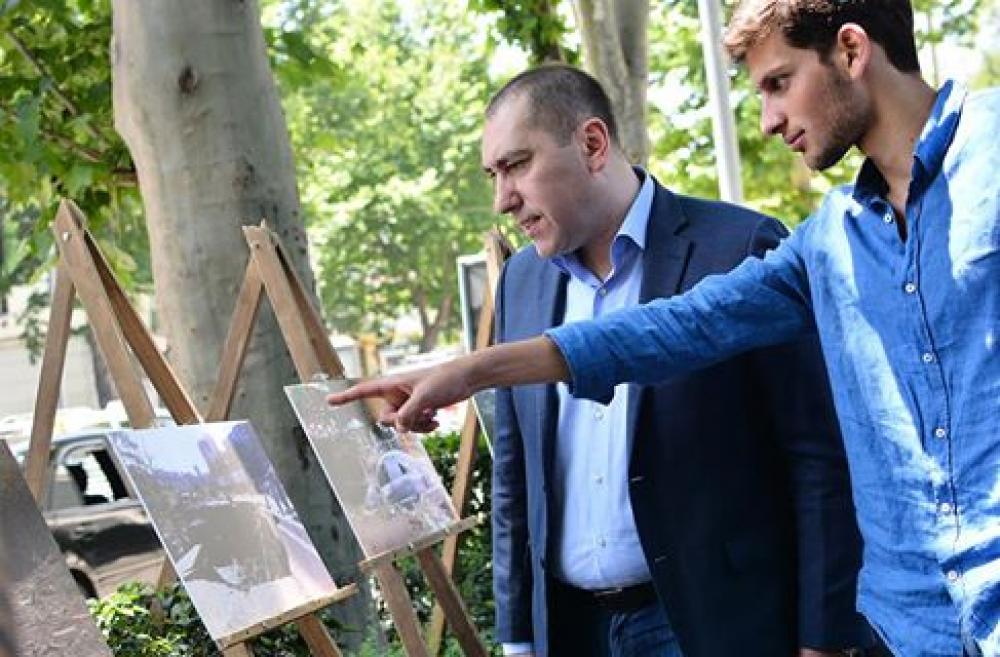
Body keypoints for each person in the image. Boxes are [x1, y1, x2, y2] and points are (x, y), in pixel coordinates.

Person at [329, 2, 1000, 656]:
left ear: (850, 50)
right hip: (913, 624)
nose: (768, 120)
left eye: (778, 83)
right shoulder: (828, 241)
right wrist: (471, 371)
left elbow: (813, 459)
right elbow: (675, 327)